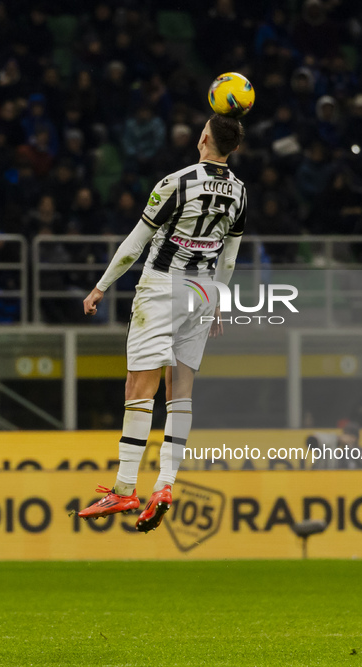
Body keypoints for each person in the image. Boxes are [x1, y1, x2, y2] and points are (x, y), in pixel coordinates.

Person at [77, 114, 247, 532]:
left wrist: (101, 286)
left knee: (139, 387)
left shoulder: (178, 182)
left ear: (203, 137)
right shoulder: (241, 193)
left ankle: (124, 487)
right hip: (204, 291)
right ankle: (166, 485)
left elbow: (135, 243)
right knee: (180, 391)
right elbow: (229, 257)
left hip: (163, 287)